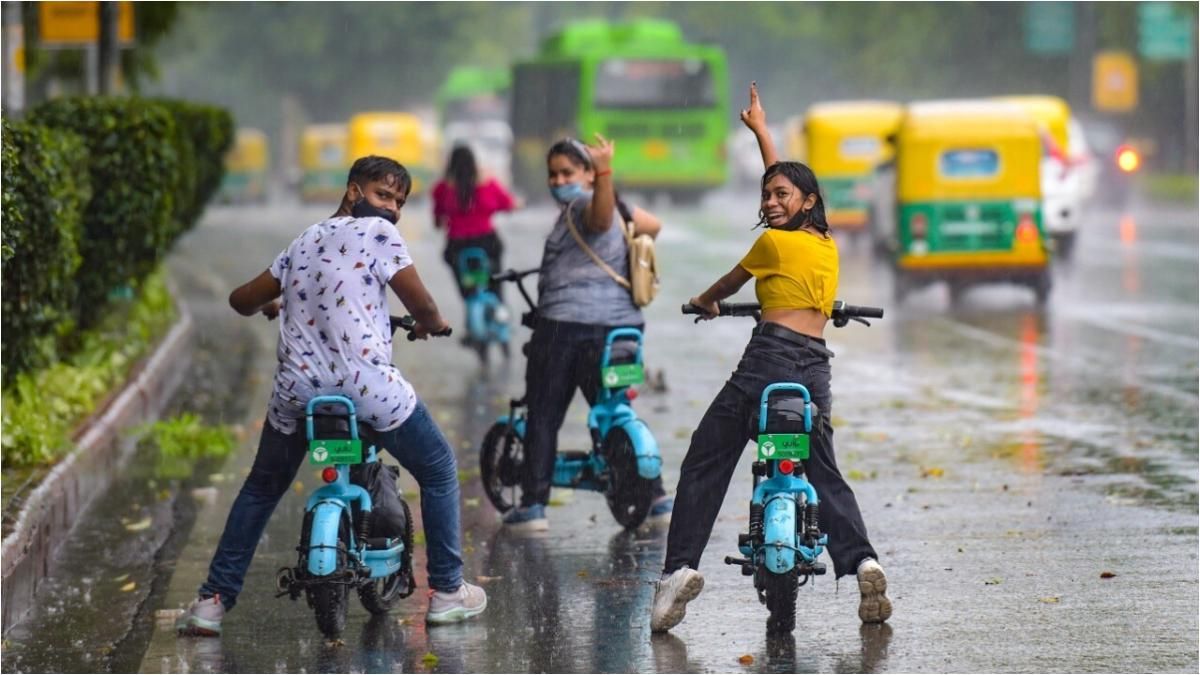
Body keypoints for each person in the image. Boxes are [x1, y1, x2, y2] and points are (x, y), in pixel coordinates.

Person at [176, 156, 487, 636]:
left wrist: (274, 300)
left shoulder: (303, 241)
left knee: (261, 488)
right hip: (367, 391)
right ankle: (447, 591)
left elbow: (241, 300)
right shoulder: (379, 235)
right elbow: (420, 302)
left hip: (297, 395)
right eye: (384, 195)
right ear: (353, 191)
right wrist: (432, 323)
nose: (393, 209)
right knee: (440, 468)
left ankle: (211, 603)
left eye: (400, 202)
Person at [650, 84, 892, 633]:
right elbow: (786, 185)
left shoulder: (768, 247)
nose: (770, 202)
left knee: (707, 459)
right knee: (824, 470)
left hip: (768, 360)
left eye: (781, 196)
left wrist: (707, 301)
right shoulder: (825, 245)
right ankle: (863, 563)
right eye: (766, 196)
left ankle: (678, 570)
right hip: (815, 369)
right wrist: (762, 133)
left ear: (806, 201)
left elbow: (725, 284)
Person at [501, 135, 672, 531]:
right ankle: (657, 497)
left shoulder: (587, 207)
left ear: (589, 176)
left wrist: (604, 171)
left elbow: (598, 221)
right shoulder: (618, 209)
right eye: (554, 174)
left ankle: (532, 505)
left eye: (568, 172)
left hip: (567, 331)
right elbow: (654, 225)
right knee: (614, 407)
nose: (559, 180)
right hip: (623, 332)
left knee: (544, 415)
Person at [432, 145, 519, 299]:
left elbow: (438, 222)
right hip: (487, 243)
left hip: (457, 246)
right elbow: (508, 204)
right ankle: (499, 308)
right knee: (495, 286)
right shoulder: (488, 184)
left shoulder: (442, 188)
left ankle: (469, 297)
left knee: (467, 288)